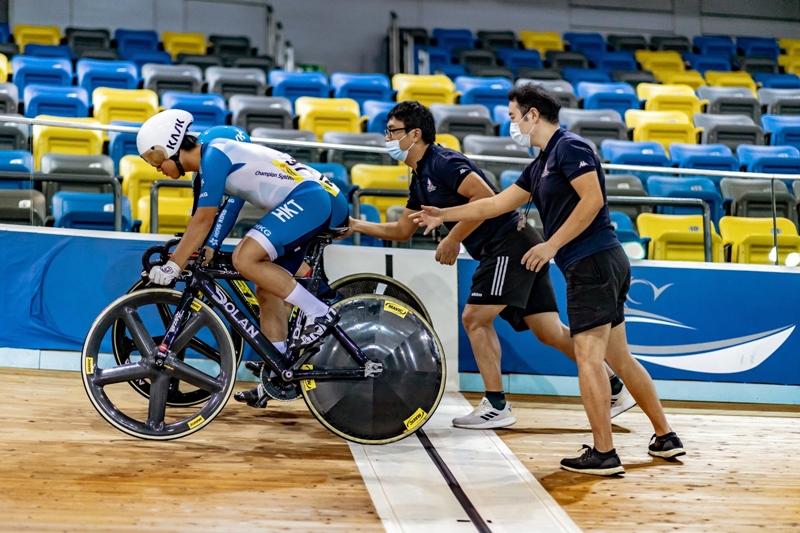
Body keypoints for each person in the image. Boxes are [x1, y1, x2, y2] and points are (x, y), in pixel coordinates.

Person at [412, 85, 685, 476]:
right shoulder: (540, 163)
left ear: (532, 115)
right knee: (618, 358)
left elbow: (592, 201)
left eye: (512, 117)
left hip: (592, 263)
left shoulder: (570, 147)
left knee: (589, 360)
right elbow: (495, 203)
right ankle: (665, 437)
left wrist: (550, 246)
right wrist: (445, 215)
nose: (510, 124)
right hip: (600, 263)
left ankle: (604, 453)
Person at [344, 100, 636, 430]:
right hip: (520, 245)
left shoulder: (443, 161)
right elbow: (401, 230)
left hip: (507, 243)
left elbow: (486, 199)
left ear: (415, 134)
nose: (386, 138)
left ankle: (496, 405)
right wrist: (354, 224)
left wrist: (453, 237)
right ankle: (613, 388)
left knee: (474, 319)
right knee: (548, 331)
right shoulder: (419, 178)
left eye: (392, 131)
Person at [138, 110, 349, 407]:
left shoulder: (213, 157)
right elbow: (202, 224)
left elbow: (203, 220)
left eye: (154, 159)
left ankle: (320, 313)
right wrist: (193, 252)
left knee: (245, 258)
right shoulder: (208, 162)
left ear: (169, 147)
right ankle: (278, 374)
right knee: (266, 290)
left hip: (311, 198)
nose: (155, 167)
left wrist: (173, 266)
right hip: (311, 199)